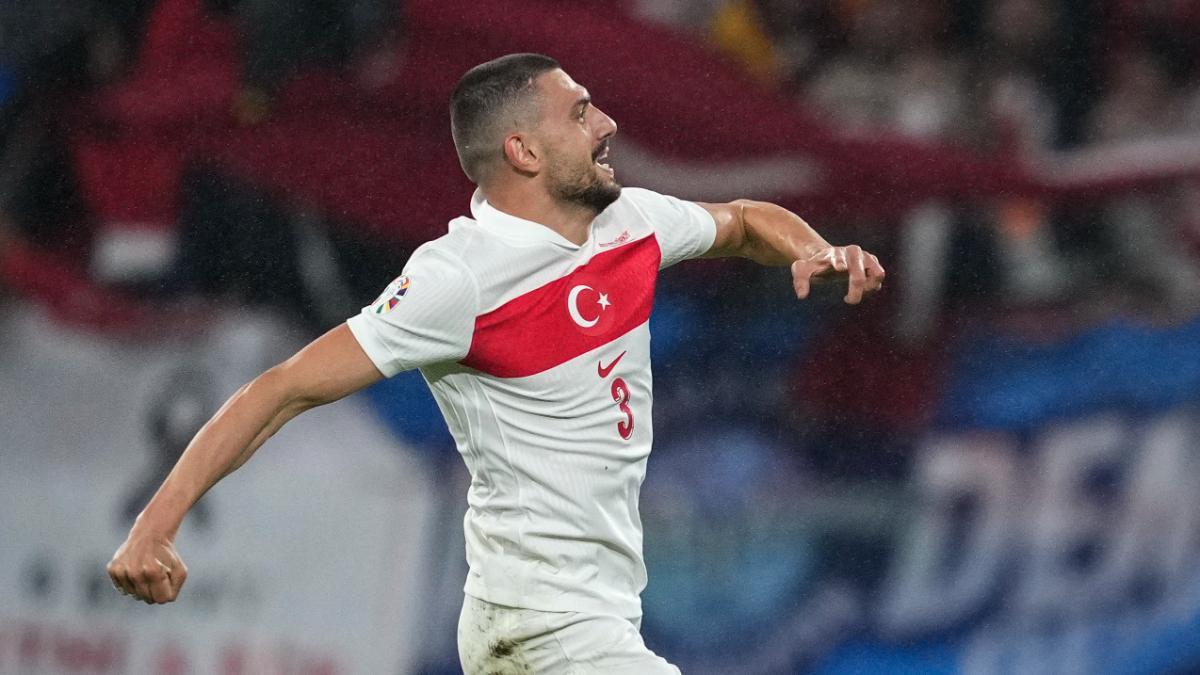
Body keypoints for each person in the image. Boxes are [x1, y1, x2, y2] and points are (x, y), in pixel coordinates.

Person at [107, 53, 884, 673]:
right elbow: (283, 388)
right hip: (540, 626)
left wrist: (814, 248)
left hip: (593, 615)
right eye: (581, 112)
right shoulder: (459, 276)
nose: (608, 122)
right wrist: (156, 524)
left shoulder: (629, 223)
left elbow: (742, 219)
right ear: (523, 149)